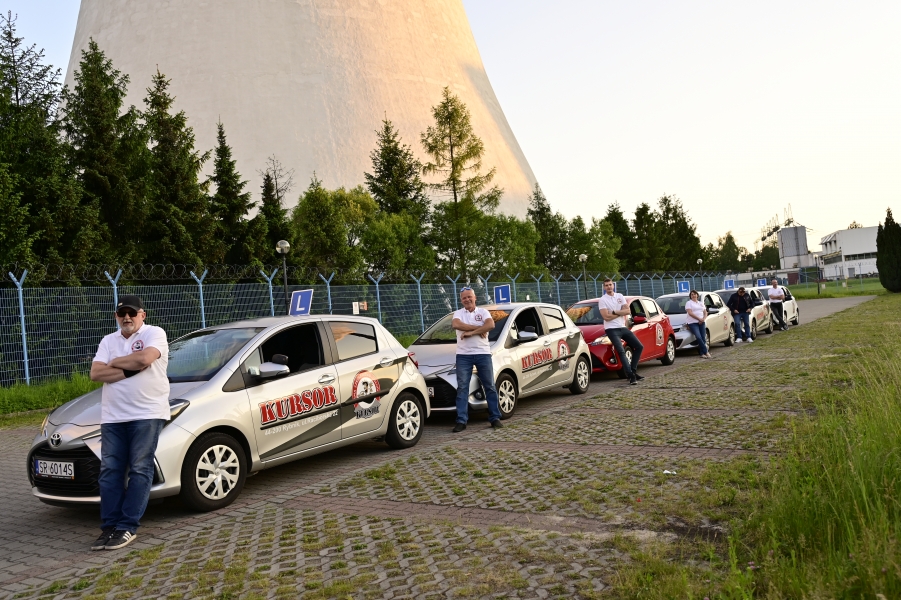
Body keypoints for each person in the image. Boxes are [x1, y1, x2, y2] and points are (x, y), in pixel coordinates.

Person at [89, 295, 169, 551]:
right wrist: (128, 368)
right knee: (109, 472)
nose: (127, 317)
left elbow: (144, 359)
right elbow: (95, 373)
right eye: (122, 313)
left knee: (139, 469)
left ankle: (127, 526)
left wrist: (113, 362)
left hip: (146, 414)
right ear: (116, 316)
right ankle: (110, 526)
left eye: (132, 313)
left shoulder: (154, 333)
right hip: (113, 416)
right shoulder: (108, 340)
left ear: (142, 315)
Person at [451, 287, 502, 432]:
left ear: (475, 298)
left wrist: (470, 332)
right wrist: (478, 329)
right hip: (463, 356)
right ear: (461, 300)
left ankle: (495, 418)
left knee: (489, 386)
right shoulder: (458, 313)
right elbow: (456, 324)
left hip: (483, 354)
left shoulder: (483, 312)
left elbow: (490, 325)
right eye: (464, 298)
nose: (467, 299)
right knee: (462, 388)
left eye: (469, 297)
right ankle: (461, 420)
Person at [598, 278, 644, 383]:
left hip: (622, 327)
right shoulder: (603, 300)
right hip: (611, 329)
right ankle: (630, 376)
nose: (609, 287)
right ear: (604, 287)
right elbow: (606, 317)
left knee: (639, 346)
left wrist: (614, 312)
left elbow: (627, 311)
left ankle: (633, 371)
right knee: (621, 351)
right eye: (606, 285)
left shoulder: (620, 296)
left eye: (610, 285)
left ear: (613, 285)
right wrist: (620, 312)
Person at [684, 290, 712, 358]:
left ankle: (702, 354)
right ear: (690, 296)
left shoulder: (701, 303)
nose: (693, 295)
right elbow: (690, 313)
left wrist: (703, 319)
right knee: (698, 337)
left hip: (702, 322)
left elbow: (705, 312)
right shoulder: (689, 303)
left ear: (697, 295)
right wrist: (699, 319)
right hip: (692, 322)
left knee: (703, 337)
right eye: (692, 294)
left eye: (695, 294)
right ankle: (706, 351)